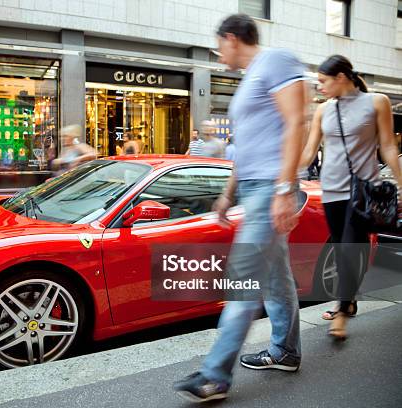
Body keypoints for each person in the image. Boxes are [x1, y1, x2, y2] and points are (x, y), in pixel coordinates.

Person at [173, 14, 307, 402]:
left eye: (219, 46)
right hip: (253, 188)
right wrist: (228, 194)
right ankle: (286, 351)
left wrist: (284, 189)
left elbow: (297, 121)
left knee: (243, 278)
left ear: (232, 38)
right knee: (275, 277)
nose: (219, 55)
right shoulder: (249, 78)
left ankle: (215, 375)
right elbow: (246, 147)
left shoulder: (277, 60)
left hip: (271, 187)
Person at [299, 55, 402, 339]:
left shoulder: (377, 102)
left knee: (348, 249)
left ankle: (341, 312)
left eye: (322, 81)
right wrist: (286, 176)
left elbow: (388, 146)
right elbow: (309, 151)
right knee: (343, 249)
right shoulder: (324, 111)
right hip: (331, 190)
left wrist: (401, 181)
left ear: (341, 78)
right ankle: (350, 299)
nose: (319, 88)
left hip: (363, 191)